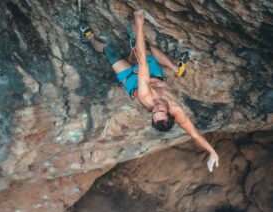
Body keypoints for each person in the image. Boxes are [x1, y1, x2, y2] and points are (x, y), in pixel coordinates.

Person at [80, 9, 219, 172]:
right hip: (153, 76)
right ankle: (176, 69)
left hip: (134, 82)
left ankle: (90, 38)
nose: (155, 108)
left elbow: (142, 62)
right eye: (160, 110)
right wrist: (212, 152)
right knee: (148, 47)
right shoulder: (177, 111)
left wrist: (139, 25)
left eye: (153, 112)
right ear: (170, 113)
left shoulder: (147, 96)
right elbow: (194, 134)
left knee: (108, 50)